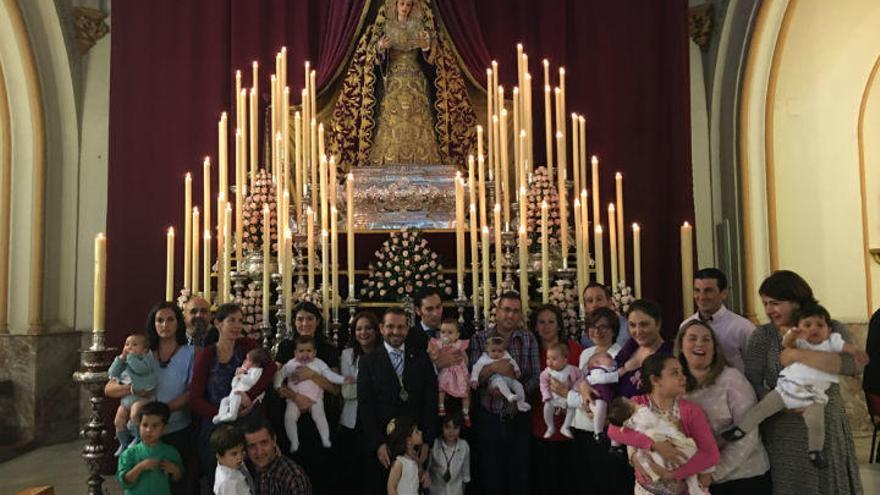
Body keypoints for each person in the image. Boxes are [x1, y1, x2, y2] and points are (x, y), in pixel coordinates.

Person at [744, 270, 864, 494]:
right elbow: (752, 381)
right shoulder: (764, 336)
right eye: (765, 303)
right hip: (783, 427)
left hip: (825, 419)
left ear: (797, 301)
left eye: (776, 303)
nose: (769, 310)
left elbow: (852, 365)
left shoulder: (830, 327)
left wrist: (798, 355)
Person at [329, 0, 476, 169]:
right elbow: (373, 56)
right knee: (390, 116)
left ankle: (422, 159)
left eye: (408, 5)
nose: (405, 8)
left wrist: (426, 46)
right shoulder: (386, 27)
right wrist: (380, 47)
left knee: (418, 116)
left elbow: (431, 56)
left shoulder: (420, 28)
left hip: (415, 79)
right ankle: (389, 159)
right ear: (395, 6)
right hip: (392, 80)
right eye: (402, 4)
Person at [725, 303, 868, 467]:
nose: (813, 329)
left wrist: (856, 351)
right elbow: (788, 343)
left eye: (819, 325)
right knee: (761, 409)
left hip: (813, 396)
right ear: (799, 328)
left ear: (828, 330)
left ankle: (815, 451)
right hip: (786, 390)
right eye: (807, 325)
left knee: (816, 423)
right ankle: (740, 429)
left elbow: (847, 348)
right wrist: (793, 333)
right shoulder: (800, 342)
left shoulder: (831, 343)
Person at [106, 301, 196, 495]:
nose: (165, 325)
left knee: (177, 486)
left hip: (176, 430)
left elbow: (191, 393)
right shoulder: (141, 353)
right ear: (153, 324)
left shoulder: (190, 353)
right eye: (160, 320)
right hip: (145, 432)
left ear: (178, 323)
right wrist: (133, 389)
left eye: (170, 319)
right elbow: (109, 388)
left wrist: (161, 412)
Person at [675, 319, 771, 494]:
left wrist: (712, 474)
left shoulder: (732, 379)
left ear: (714, 348)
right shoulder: (673, 382)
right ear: (681, 346)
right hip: (695, 479)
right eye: (692, 338)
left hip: (741, 478)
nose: (699, 344)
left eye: (706, 339)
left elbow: (747, 433)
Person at [191, 303, 278, 484]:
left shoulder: (247, 345)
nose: (238, 326)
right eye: (232, 320)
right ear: (218, 323)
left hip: (250, 421)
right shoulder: (206, 355)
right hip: (219, 425)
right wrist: (223, 413)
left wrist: (250, 397)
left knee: (256, 479)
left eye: (240, 321)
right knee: (223, 481)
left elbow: (270, 369)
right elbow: (195, 399)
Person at [607, 354, 719, 495]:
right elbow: (613, 430)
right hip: (645, 490)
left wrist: (672, 474)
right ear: (655, 380)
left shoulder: (690, 411)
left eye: (682, 372)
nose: (683, 377)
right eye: (675, 373)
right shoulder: (637, 404)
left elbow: (711, 455)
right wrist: (653, 444)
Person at [357, 307, 438, 493]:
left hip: (415, 444)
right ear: (381, 328)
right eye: (390, 326)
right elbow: (366, 406)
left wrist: (427, 440)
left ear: (407, 329)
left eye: (400, 327)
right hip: (384, 447)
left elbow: (430, 400)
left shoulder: (421, 358)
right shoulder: (368, 361)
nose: (395, 331)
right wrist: (378, 443)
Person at [468, 292, 539, 495]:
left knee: (520, 477)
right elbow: (473, 377)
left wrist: (515, 392)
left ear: (520, 315)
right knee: (491, 477)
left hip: (518, 417)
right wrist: (494, 369)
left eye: (515, 311)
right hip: (488, 418)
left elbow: (535, 376)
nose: (510, 315)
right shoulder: (479, 339)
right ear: (497, 312)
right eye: (506, 309)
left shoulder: (528, 339)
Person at [270, 301, 341, 494]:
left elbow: (335, 389)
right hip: (292, 415)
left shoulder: (328, 349)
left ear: (318, 322)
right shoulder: (286, 347)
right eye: (300, 319)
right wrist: (295, 397)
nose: (304, 323)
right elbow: (277, 384)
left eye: (310, 318)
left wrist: (312, 375)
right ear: (294, 322)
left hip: (320, 417)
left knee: (319, 472)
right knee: (292, 472)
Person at [565, 307, 627, 494]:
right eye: (593, 327)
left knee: (606, 482)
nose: (597, 331)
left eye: (604, 327)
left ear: (614, 330)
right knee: (585, 482)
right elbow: (580, 384)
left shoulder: (619, 355)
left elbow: (620, 394)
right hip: (582, 425)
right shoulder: (586, 353)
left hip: (605, 428)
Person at [527, 303, 582, 495]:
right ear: (535, 326)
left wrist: (569, 391)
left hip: (572, 426)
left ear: (559, 325)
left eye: (551, 321)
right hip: (540, 427)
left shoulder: (575, 350)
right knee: (544, 482)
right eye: (541, 322)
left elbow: (585, 382)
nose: (546, 326)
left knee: (569, 482)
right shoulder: (532, 353)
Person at [607, 396, 707, 495]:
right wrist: (651, 445)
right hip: (649, 484)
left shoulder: (687, 405)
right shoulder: (640, 405)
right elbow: (612, 431)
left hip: (678, 481)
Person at [275, 335, 349, 452]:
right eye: (301, 351)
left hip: (315, 399)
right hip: (294, 400)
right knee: (289, 418)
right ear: (295, 353)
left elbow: (329, 375)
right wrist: (278, 385)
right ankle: (294, 441)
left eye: (309, 351)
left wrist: (342, 379)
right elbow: (279, 375)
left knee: (320, 417)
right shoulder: (291, 364)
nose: (305, 354)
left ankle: (325, 438)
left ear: (314, 352)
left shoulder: (318, 363)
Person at [336, 311, 380, 493]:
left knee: (374, 473)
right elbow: (346, 392)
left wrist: (359, 383)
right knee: (352, 473)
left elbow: (386, 390)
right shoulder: (347, 355)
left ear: (377, 330)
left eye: (368, 328)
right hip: (351, 423)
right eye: (359, 329)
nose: (363, 332)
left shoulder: (384, 353)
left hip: (377, 420)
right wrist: (370, 384)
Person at [679, 268, 754, 372]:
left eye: (708, 291)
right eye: (697, 290)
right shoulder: (686, 326)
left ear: (724, 293)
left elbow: (756, 369)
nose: (701, 297)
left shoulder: (743, 328)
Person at [117, 401, 184, 495]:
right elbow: (124, 482)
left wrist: (174, 470)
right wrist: (140, 467)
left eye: (155, 426)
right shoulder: (129, 454)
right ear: (139, 426)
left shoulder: (170, 452)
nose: (149, 430)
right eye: (145, 425)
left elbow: (178, 477)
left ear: (164, 429)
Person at [109, 332, 160, 455]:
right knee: (118, 419)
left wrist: (131, 358)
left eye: (134, 344)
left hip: (142, 396)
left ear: (144, 349)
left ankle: (137, 437)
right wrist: (120, 358)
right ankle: (124, 443)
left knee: (135, 414)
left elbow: (140, 370)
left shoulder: (147, 359)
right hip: (127, 397)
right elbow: (112, 373)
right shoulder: (125, 361)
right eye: (127, 344)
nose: (129, 347)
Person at [615, 299, 674, 399]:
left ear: (658, 323)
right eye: (632, 325)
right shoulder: (631, 346)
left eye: (644, 324)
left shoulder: (668, 355)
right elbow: (607, 371)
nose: (638, 331)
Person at [242, 417, 312, 495]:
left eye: (264, 443)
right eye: (252, 446)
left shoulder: (293, 478)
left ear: (274, 440)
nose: (259, 452)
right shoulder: (244, 470)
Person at [470, 336, 531, 411]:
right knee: (499, 381)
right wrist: (474, 379)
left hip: (509, 379)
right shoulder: (484, 358)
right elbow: (476, 368)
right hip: (494, 380)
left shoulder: (505, 355)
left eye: (500, 351)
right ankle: (509, 395)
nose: (496, 354)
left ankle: (521, 403)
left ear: (504, 350)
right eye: (493, 351)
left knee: (519, 386)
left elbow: (512, 361)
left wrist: (517, 370)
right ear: (487, 350)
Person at [214, 347, 272, 424]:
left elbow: (252, 382)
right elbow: (233, 385)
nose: (244, 361)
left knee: (235, 399)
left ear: (255, 364)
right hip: (234, 392)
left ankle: (232, 415)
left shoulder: (257, 371)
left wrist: (241, 375)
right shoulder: (245, 370)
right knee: (224, 400)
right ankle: (222, 415)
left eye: (247, 359)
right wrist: (236, 377)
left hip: (241, 395)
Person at [429, 318, 471, 424]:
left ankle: (465, 412)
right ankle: (441, 405)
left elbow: (466, 361)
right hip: (446, 371)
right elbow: (434, 357)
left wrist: (463, 360)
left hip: (458, 372)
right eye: (443, 332)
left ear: (457, 335)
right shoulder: (439, 344)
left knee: (465, 391)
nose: (445, 335)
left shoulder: (459, 345)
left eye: (450, 332)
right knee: (441, 386)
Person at [539, 342, 581, 439]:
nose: (549, 362)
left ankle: (565, 427)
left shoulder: (572, 370)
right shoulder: (547, 372)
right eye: (548, 358)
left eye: (554, 359)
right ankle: (550, 426)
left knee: (572, 409)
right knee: (547, 407)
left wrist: (575, 388)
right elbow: (543, 384)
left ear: (565, 360)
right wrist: (546, 395)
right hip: (553, 398)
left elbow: (581, 378)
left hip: (568, 397)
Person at [428, 412, 471, 495]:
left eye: (455, 428)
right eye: (447, 427)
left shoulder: (464, 446)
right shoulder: (435, 444)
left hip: (456, 492)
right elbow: (427, 470)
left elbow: (465, 476)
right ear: (442, 427)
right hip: (436, 492)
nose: (451, 432)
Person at [581, 282, 630, 347]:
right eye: (590, 301)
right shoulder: (586, 335)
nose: (595, 305)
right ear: (585, 308)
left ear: (609, 302)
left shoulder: (626, 327)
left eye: (599, 299)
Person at [210, 424, 255, 495]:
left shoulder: (234, 464)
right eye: (234, 454)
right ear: (219, 457)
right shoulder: (226, 483)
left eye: (242, 450)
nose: (240, 457)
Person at [386, 416, 427, 495]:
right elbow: (391, 488)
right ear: (408, 440)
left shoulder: (415, 458)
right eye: (417, 432)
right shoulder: (400, 462)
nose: (421, 432)